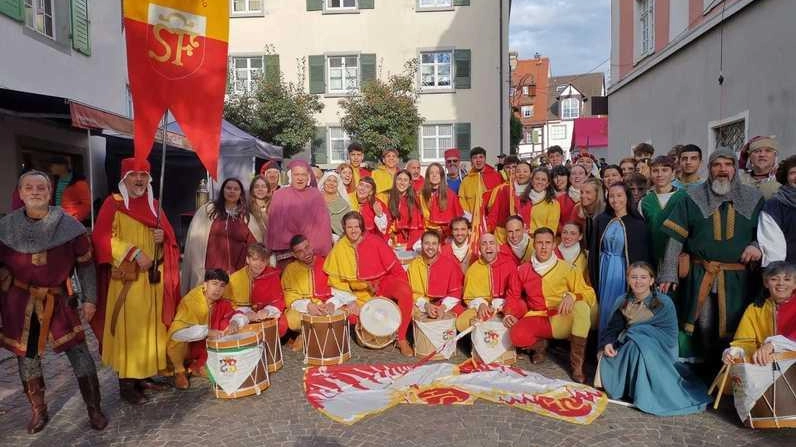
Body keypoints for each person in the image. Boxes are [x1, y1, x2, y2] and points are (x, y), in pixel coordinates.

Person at [0, 170, 107, 432]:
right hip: (21, 301)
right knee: (29, 358)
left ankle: (94, 409)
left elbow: (85, 265)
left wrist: (90, 298)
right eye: (29, 187)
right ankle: (39, 411)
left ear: (50, 193)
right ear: (21, 193)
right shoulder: (5, 227)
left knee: (79, 353)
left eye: (41, 187)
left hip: (58, 300)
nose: (35, 192)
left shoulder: (70, 227)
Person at [658, 148, 764, 362]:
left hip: (739, 278)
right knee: (704, 325)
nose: (722, 169)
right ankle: (707, 375)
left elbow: (765, 233)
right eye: (717, 164)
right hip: (702, 273)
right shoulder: (693, 197)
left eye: (727, 164)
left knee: (736, 326)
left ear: (735, 168)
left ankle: (729, 376)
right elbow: (676, 238)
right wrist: (668, 273)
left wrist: (756, 245)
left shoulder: (754, 198)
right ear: (710, 168)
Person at [93, 158, 180, 405]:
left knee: (150, 330)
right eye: (133, 175)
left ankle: (143, 375)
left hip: (153, 282)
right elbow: (101, 239)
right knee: (129, 331)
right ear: (124, 179)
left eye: (143, 176)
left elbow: (172, 243)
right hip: (127, 283)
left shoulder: (155, 206)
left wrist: (163, 238)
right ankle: (126, 384)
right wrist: (133, 252)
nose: (139, 180)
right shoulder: (113, 204)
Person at [597, 262, 710, 416]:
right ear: (628, 280)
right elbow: (613, 328)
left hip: (659, 350)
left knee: (640, 347)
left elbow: (668, 335)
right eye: (634, 277)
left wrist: (638, 333)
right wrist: (608, 343)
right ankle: (630, 387)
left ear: (651, 280)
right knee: (634, 346)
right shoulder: (623, 301)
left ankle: (644, 393)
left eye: (643, 277)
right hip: (630, 343)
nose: (638, 281)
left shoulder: (664, 303)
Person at [504, 227, 597, 382]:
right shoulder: (523, 269)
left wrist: (573, 296)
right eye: (540, 243)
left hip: (561, 317)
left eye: (548, 242)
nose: (544, 247)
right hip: (539, 316)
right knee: (516, 335)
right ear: (534, 244)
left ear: (554, 244)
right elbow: (513, 295)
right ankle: (541, 345)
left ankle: (577, 366)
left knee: (581, 308)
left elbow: (588, 293)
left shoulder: (568, 269)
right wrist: (509, 312)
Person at [323, 211, 414, 356]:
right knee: (355, 319)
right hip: (356, 294)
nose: (353, 230)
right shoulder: (339, 248)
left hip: (382, 284)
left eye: (356, 226)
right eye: (349, 227)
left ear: (362, 227)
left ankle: (402, 338)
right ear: (344, 228)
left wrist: (398, 293)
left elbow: (395, 269)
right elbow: (336, 282)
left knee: (405, 292)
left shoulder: (375, 241)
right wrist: (350, 301)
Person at [166, 269, 248, 390]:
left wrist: (235, 322)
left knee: (227, 322)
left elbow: (238, 314)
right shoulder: (192, 301)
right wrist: (207, 332)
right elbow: (177, 334)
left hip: (204, 348)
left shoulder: (222, 301)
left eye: (222, 286)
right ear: (205, 284)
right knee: (177, 338)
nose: (218, 289)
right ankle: (179, 371)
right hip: (187, 348)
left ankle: (196, 367)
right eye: (214, 283)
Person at [589, 182, 651, 338]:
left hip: (622, 271)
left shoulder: (637, 224)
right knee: (605, 308)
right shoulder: (601, 219)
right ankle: (603, 347)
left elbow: (642, 254)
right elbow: (594, 249)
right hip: (604, 269)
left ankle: (619, 347)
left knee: (620, 307)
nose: (615, 200)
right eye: (611, 196)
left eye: (619, 195)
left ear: (627, 197)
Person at [182, 178, 260, 294]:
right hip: (211, 271)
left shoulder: (246, 216)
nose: (232, 191)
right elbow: (196, 241)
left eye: (236, 189)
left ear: (241, 193)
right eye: (228, 188)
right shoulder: (208, 211)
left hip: (237, 272)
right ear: (223, 190)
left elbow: (255, 245)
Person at [282, 235, 359, 351]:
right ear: (294, 255)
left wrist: (332, 303)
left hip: (328, 304)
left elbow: (340, 288)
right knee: (291, 319)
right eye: (300, 252)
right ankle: (312, 333)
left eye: (307, 247)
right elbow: (289, 295)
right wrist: (308, 306)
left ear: (311, 246)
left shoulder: (326, 263)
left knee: (352, 308)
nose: (306, 253)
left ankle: (308, 334)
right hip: (306, 309)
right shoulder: (290, 270)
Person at [723, 261, 795, 365]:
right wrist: (734, 353)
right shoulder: (754, 309)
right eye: (774, 279)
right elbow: (745, 343)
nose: (781, 283)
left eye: (787, 279)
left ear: (795, 284)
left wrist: (773, 345)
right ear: (766, 283)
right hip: (763, 367)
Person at [267, 160, 332, 261]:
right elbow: (274, 226)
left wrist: (307, 249)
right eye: (296, 174)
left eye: (303, 174)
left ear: (308, 177)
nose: (300, 178)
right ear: (290, 176)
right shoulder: (279, 195)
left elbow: (322, 227)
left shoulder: (316, 195)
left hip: (311, 252)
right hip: (285, 253)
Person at [225, 243, 289, 336]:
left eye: (262, 261)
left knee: (282, 324)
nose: (258, 264)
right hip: (243, 315)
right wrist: (246, 313)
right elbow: (229, 306)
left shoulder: (272, 276)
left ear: (266, 262)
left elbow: (279, 301)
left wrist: (267, 311)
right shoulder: (235, 279)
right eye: (254, 260)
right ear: (247, 259)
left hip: (265, 315)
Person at [456, 233, 516, 332]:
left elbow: (515, 295)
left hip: (505, 305)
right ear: (479, 249)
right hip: (481, 307)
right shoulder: (473, 270)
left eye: (491, 243)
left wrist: (497, 306)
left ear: (497, 247)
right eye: (484, 244)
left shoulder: (509, 264)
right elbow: (469, 298)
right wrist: (481, 304)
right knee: (462, 322)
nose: (488, 247)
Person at [639, 156, 687, 271]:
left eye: (665, 170)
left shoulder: (685, 197)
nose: (660, 174)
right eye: (655, 171)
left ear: (673, 173)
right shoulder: (644, 201)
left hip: (680, 261)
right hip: (652, 260)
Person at [408, 231, 465, 318]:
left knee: (463, 317)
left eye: (434, 244)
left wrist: (442, 307)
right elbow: (412, 292)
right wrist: (426, 305)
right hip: (422, 304)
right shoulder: (414, 265)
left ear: (438, 246)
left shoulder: (449, 264)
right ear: (422, 245)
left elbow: (456, 291)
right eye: (427, 243)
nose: (430, 247)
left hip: (445, 303)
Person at [758, 155, 796, 266]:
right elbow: (772, 246)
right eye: (793, 173)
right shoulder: (774, 205)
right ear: (785, 177)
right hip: (788, 274)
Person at [485, 160, 531, 243]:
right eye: (518, 171)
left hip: (529, 236)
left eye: (525, 171)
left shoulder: (535, 191)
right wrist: (486, 232)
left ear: (531, 174)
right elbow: (494, 214)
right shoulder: (504, 189)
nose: (521, 174)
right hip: (504, 236)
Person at [420, 162, 464, 240]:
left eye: (437, 173)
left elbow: (457, 219)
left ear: (442, 176)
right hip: (427, 232)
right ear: (427, 176)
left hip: (447, 234)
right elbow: (421, 217)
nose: (434, 175)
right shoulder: (421, 195)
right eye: (431, 173)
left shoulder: (451, 194)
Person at [458, 146, 503, 221]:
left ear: (485, 159)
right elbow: (462, 201)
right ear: (471, 161)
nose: (478, 160)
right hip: (473, 222)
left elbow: (501, 200)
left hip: (493, 222)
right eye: (475, 158)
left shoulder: (497, 176)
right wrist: (471, 219)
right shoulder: (466, 181)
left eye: (481, 157)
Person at [47, 155, 91, 224]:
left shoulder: (79, 182)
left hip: (71, 222)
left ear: (62, 166)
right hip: (57, 220)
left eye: (52, 165)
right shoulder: (55, 181)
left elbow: (87, 204)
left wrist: (74, 219)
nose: (50, 168)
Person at [385, 170, 424, 248]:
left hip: (409, 241)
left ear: (409, 183)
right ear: (395, 181)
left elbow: (416, 229)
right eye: (399, 179)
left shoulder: (414, 201)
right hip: (390, 240)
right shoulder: (386, 197)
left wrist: (408, 245)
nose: (402, 183)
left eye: (405, 180)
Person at [519, 167, 560, 234]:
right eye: (537, 179)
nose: (540, 182)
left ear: (547, 184)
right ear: (532, 181)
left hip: (541, 241)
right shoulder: (521, 199)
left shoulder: (553, 204)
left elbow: (551, 230)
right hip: (520, 240)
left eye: (543, 180)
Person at [739, 136, 782, 200]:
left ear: (775, 156)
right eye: (757, 151)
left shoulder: (784, 179)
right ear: (750, 157)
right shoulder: (739, 179)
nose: (762, 155)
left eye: (768, 151)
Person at [318, 171, 352, 240]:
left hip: (338, 240)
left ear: (338, 185)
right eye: (329, 180)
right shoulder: (314, 200)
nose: (331, 183)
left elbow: (347, 226)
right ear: (323, 182)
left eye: (334, 181)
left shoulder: (344, 205)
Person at [573, 177, 604, 245]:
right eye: (581, 192)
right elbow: (572, 233)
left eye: (588, 192)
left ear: (597, 194)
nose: (583, 196)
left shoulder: (606, 211)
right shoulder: (577, 208)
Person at [248, 175, 273, 243]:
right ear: (252, 190)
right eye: (256, 187)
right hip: (255, 248)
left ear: (268, 189)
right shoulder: (247, 209)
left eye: (263, 186)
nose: (260, 189)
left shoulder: (274, 207)